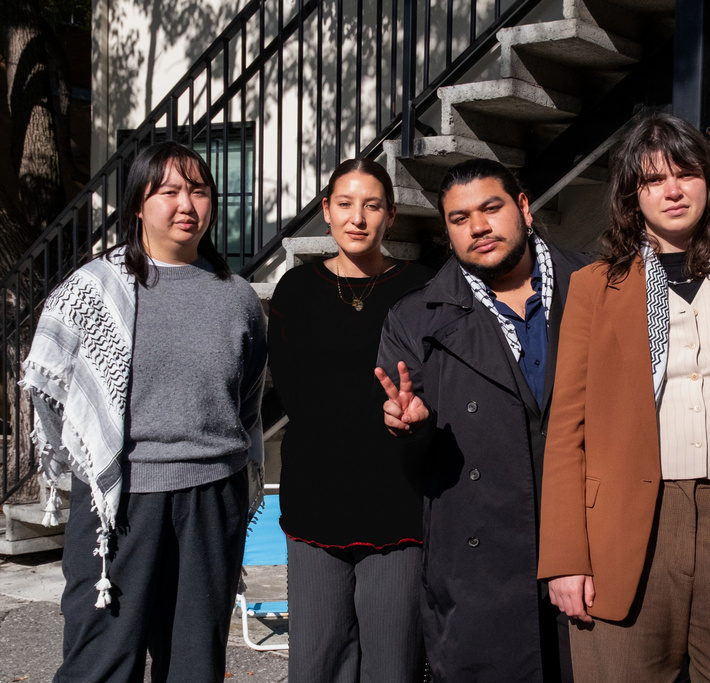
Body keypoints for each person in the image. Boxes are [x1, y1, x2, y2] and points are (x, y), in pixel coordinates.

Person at [22, 141, 267, 682]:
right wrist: (91, 462)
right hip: (119, 501)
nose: (186, 204)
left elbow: (245, 400)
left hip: (212, 498)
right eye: (169, 191)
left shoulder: (238, 298)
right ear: (137, 203)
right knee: (102, 660)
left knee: (194, 663)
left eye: (198, 190)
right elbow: (52, 387)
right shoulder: (93, 291)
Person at [537, 114, 710, 682]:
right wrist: (564, 557)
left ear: (709, 181)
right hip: (629, 523)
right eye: (652, 180)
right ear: (633, 196)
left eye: (685, 173)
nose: (672, 191)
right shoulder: (594, 287)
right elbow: (566, 431)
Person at [374, 158, 590, 682]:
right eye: (459, 218)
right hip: (479, 564)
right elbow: (413, 466)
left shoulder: (596, 282)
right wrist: (412, 428)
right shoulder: (416, 316)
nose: (478, 227)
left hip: (586, 545)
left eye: (491, 208)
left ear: (523, 207)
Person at [268, 158, 433, 682]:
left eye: (372, 205)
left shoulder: (423, 288)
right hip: (316, 500)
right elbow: (291, 391)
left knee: (394, 661)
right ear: (326, 212)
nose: (357, 217)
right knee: (316, 661)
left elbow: (438, 388)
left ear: (391, 215)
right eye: (345, 204)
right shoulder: (295, 289)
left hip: (399, 501)